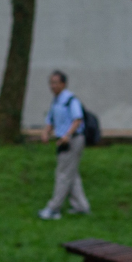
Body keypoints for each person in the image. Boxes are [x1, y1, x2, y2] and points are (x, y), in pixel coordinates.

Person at [38, 70, 91, 220]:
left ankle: (53, 208)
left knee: (62, 175)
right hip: (62, 140)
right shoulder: (56, 101)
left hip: (73, 140)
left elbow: (77, 120)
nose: (52, 86)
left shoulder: (70, 100)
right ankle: (81, 206)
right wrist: (45, 133)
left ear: (63, 84)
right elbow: (51, 121)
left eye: (55, 82)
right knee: (71, 174)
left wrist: (67, 135)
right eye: (51, 83)